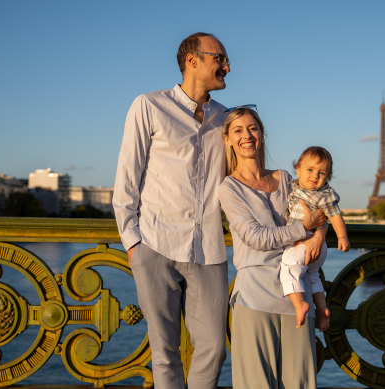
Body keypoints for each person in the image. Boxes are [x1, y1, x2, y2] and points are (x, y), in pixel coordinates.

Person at [112, 32, 231, 389]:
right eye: (219, 59)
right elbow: (127, 179)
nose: (227, 67)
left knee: (213, 347)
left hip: (209, 249)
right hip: (155, 244)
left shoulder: (227, 119)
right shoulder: (148, 106)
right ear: (192, 60)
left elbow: (248, 178)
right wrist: (134, 244)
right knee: (164, 353)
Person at [218, 106, 327, 389]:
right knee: (255, 384)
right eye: (238, 130)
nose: (247, 135)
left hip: (296, 297)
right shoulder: (229, 188)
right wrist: (304, 229)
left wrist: (319, 235)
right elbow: (255, 238)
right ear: (228, 139)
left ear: (262, 134)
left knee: (301, 383)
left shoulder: (286, 179)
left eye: (253, 128)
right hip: (255, 297)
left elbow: (320, 210)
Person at [281, 146, 350, 331]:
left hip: (305, 243)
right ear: (298, 170)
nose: (315, 176)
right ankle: (322, 309)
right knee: (313, 276)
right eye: (310, 170)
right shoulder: (295, 186)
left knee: (288, 268)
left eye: (321, 173)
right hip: (319, 248)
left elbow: (336, 217)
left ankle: (300, 304)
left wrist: (342, 236)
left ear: (327, 177)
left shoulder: (325, 195)